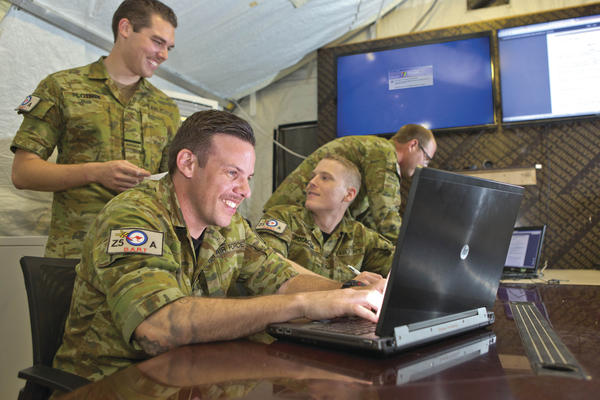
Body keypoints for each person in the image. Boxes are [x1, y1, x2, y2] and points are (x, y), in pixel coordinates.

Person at [52, 110, 385, 382]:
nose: (245, 191)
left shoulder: (229, 225)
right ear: (187, 163)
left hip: (189, 379)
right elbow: (159, 327)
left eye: (248, 178)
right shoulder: (133, 216)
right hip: (114, 385)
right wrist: (305, 305)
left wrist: (349, 294)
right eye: (232, 173)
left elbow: (281, 276)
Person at [10, 0, 181, 258]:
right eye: (157, 42)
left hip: (140, 259)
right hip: (76, 256)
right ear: (125, 28)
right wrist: (94, 172)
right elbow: (23, 173)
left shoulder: (166, 108)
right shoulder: (63, 87)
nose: (164, 55)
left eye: (169, 47)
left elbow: (172, 187)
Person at [264, 124, 437, 242]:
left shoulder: (374, 151)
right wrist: (408, 250)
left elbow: (369, 217)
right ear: (413, 145)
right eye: (426, 158)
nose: (425, 165)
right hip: (288, 217)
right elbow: (385, 214)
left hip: (300, 218)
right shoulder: (383, 153)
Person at [257, 155, 394, 284]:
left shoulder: (361, 236)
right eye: (313, 176)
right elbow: (269, 264)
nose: (311, 182)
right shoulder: (283, 218)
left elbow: (400, 269)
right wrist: (343, 287)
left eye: (325, 178)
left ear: (349, 194)